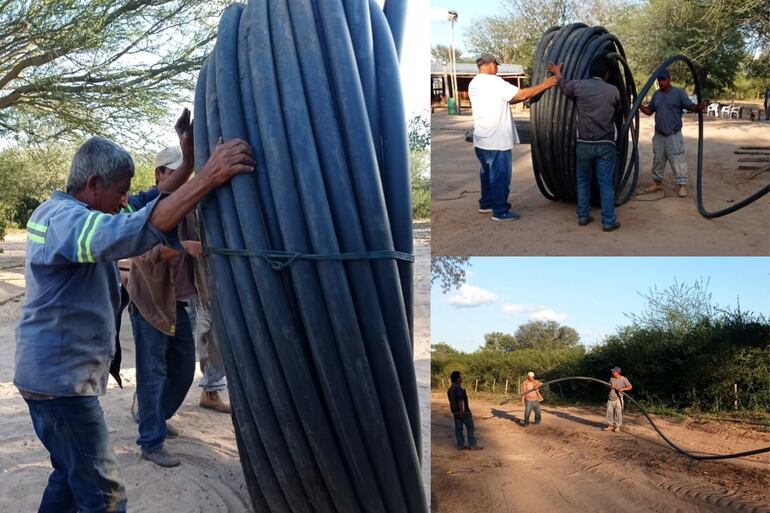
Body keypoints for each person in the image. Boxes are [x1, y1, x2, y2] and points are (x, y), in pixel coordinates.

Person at [14, 134, 254, 513]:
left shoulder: (66, 213)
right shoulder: (67, 222)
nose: (126, 200)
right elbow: (131, 230)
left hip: (48, 379)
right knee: (106, 498)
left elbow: (144, 204)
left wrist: (189, 160)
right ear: (93, 185)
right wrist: (208, 176)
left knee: (68, 475)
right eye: (120, 191)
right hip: (61, 387)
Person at [126, 146, 207, 467]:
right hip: (150, 304)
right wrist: (183, 248)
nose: (182, 177)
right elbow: (145, 252)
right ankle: (151, 441)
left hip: (179, 303)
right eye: (175, 171)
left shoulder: (188, 205)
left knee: (184, 371)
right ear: (160, 173)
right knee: (152, 374)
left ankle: (154, 417)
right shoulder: (144, 208)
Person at [469, 52, 559, 221]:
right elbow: (520, 95)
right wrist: (546, 84)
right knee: (500, 176)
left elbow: (509, 99)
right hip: (497, 140)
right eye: (496, 65)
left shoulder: (475, 82)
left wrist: (529, 94)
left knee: (487, 173)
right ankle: (500, 211)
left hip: (481, 140)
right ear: (490, 63)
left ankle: (486, 204)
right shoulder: (493, 81)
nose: (496, 68)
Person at [548, 56, 622, 232]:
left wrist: (558, 72)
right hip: (606, 144)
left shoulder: (578, 86)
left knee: (583, 180)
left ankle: (582, 216)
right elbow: (618, 111)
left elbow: (563, 85)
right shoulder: (614, 91)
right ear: (606, 74)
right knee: (605, 183)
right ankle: (608, 221)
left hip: (584, 144)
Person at [639, 69, 707, 198]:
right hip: (659, 134)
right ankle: (657, 183)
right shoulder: (657, 94)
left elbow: (690, 106)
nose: (661, 82)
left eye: (663, 79)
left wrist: (698, 107)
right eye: (659, 80)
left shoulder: (679, 93)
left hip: (673, 134)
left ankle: (681, 185)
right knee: (658, 159)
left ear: (669, 79)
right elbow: (649, 111)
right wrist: (639, 104)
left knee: (677, 159)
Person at [447, 371, 482, 450]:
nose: (461, 378)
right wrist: (462, 412)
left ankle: (460, 445)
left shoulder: (450, 389)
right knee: (470, 428)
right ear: (457, 379)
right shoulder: (458, 388)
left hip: (455, 412)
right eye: (460, 377)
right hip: (464, 412)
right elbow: (460, 400)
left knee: (458, 429)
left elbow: (451, 401)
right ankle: (472, 445)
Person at [604, 366, 632, 432]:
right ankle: (610, 426)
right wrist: (610, 387)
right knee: (609, 412)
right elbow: (609, 387)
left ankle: (617, 426)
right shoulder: (611, 378)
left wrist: (622, 389)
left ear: (617, 372)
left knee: (618, 413)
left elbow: (630, 387)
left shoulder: (623, 379)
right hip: (610, 398)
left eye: (613, 371)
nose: (612, 372)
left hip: (618, 398)